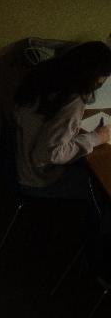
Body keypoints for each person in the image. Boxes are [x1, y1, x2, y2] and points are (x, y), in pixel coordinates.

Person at [12, 40, 111, 272]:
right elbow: (49, 153)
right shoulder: (72, 100)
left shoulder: (44, 76)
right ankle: (96, 256)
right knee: (101, 188)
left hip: (19, 162)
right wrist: (96, 138)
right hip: (37, 177)